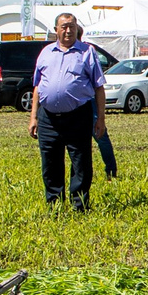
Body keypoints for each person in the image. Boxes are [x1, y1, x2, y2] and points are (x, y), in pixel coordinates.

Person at [28, 13, 105, 211]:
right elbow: (37, 86)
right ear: (56, 30)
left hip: (78, 116)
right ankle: (54, 204)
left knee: (80, 162)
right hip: (47, 118)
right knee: (50, 162)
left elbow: (99, 88)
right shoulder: (45, 53)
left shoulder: (87, 52)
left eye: (71, 26)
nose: (68, 30)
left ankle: (79, 205)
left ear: (76, 28)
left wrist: (101, 119)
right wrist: (33, 117)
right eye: (63, 27)